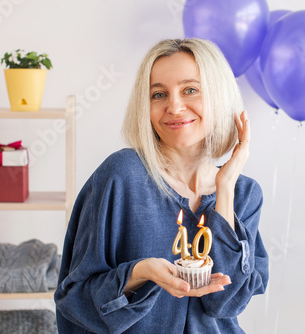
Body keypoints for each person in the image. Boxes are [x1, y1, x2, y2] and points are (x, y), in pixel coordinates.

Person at [54, 38, 269, 333]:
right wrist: (139, 273)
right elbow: (74, 299)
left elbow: (226, 304)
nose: (174, 107)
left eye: (190, 90)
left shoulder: (244, 194)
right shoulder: (122, 176)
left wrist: (225, 187)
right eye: (158, 94)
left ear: (219, 96)